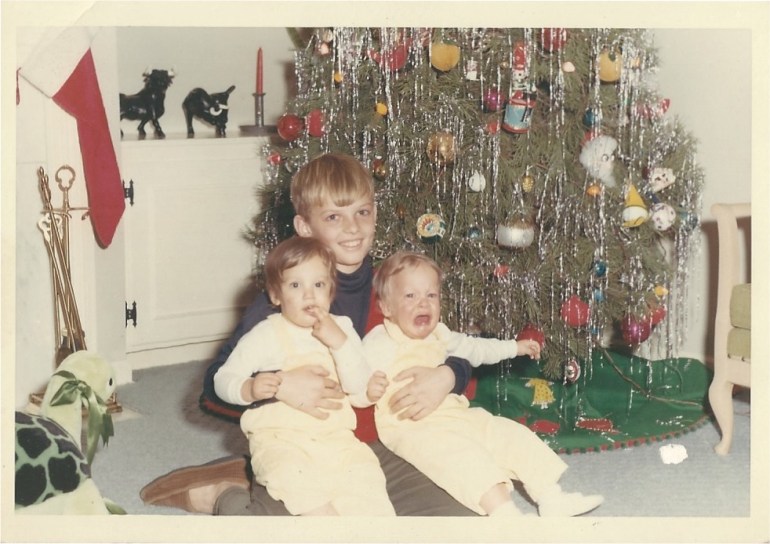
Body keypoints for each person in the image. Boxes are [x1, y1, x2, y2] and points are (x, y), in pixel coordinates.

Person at [140, 152, 477, 516]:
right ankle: (223, 493)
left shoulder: (397, 287)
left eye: (362, 212)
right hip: (300, 444)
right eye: (334, 217)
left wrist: (448, 375)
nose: (352, 228)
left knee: (467, 512)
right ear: (304, 227)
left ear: (375, 214)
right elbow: (212, 391)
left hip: (380, 445)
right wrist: (280, 383)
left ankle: (247, 475)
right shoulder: (285, 302)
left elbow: (454, 351)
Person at [355, 251, 604, 517]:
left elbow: (476, 348)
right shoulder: (380, 342)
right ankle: (505, 515)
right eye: (410, 296)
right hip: (413, 427)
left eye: (431, 295)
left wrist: (514, 347)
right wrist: (367, 392)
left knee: (508, 434)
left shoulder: (441, 333)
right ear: (386, 307)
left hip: (454, 413)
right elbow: (355, 383)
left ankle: (551, 498)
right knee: (466, 459)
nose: (423, 304)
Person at [213, 236, 394, 516]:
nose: (309, 295)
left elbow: (357, 392)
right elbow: (223, 378)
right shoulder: (266, 334)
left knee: (368, 485)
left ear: (331, 291)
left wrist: (342, 346)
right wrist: (248, 388)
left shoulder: (342, 329)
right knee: (304, 492)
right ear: (276, 295)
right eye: (296, 285)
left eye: (319, 285)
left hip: (338, 440)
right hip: (281, 440)